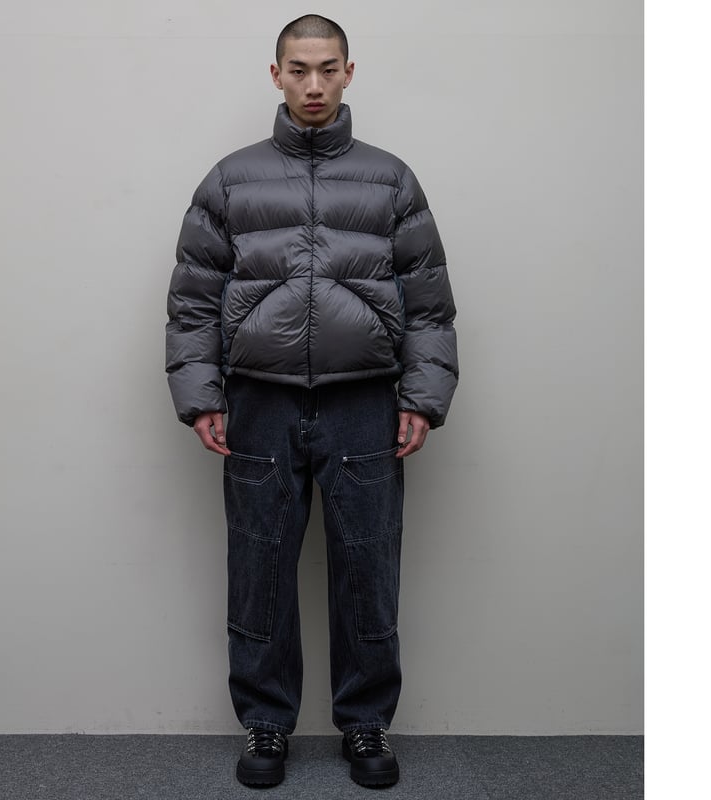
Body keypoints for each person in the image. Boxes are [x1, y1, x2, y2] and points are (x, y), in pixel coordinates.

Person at [165, 14, 458, 788]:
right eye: (299, 69)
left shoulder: (391, 180)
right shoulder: (230, 181)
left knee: (369, 568)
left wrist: (422, 397)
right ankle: (266, 723)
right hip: (257, 404)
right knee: (258, 567)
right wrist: (201, 397)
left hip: (365, 405)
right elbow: (192, 302)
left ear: (349, 72)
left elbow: (429, 304)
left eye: (328, 68)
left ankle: (366, 724)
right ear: (276, 75)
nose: (314, 84)